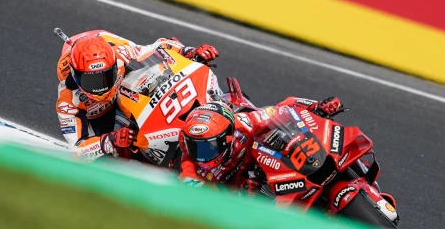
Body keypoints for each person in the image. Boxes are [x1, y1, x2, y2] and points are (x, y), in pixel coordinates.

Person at [55, 29, 219, 161]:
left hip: (125, 89)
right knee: (106, 159)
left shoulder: (121, 52)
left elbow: (158, 47)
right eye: (92, 82)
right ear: (76, 76)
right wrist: (111, 140)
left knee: (158, 73)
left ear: (113, 67)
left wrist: (189, 51)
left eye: (106, 77)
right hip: (97, 117)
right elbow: (78, 149)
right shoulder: (67, 99)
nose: (101, 88)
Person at [178, 95, 343, 193]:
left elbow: (280, 110)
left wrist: (315, 108)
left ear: (227, 136)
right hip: (252, 191)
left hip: (272, 162)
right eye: (194, 145)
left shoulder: (243, 123)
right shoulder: (190, 169)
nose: (200, 154)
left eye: (209, 145)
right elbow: (206, 202)